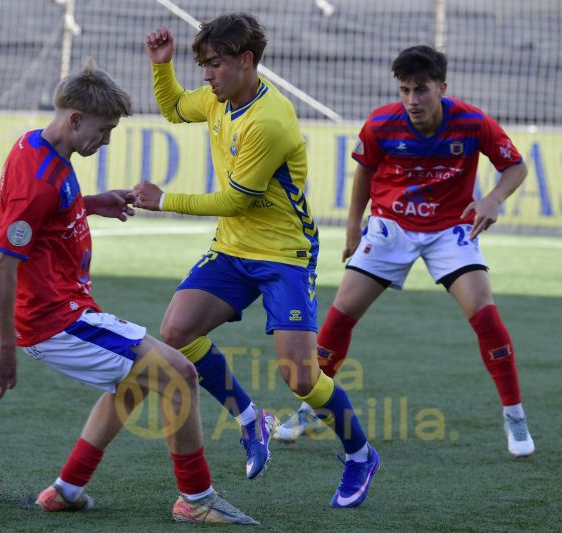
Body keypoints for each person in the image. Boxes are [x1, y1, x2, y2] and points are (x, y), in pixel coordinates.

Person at [0, 57, 258, 525]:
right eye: (104, 130)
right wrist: (5, 345)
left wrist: (89, 204)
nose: (107, 140)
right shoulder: (39, 181)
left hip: (69, 309)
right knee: (179, 374)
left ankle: (67, 489)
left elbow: (47, 214)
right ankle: (196, 498)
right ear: (75, 119)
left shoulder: (37, 146)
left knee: (134, 382)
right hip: (55, 320)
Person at [136, 13, 379, 508]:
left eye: (215, 64)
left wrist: (164, 200)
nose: (207, 75)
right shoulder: (220, 97)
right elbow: (177, 109)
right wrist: (162, 67)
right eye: (204, 65)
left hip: (283, 254)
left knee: (300, 377)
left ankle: (360, 454)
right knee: (177, 331)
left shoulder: (269, 120)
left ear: (246, 61)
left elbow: (234, 200)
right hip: (232, 248)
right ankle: (251, 420)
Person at [273, 45, 535, 459]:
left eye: (421, 90)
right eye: (405, 90)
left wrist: (493, 199)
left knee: (484, 312)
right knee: (342, 312)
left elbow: (515, 166)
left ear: (442, 88)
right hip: (391, 226)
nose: (412, 100)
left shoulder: (472, 122)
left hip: (451, 227)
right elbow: (364, 172)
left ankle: (514, 416)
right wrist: (353, 227)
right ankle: (312, 406)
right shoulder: (381, 123)